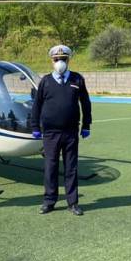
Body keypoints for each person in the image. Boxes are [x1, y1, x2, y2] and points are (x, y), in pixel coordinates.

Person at [31, 45, 92, 216]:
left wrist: (86, 124)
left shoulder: (77, 79)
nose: (60, 62)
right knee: (50, 166)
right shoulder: (45, 81)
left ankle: (72, 202)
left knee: (71, 167)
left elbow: (85, 103)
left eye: (63, 59)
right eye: (57, 59)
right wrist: (35, 126)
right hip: (50, 133)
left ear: (68, 60)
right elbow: (37, 105)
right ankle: (49, 201)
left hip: (71, 132)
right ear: (52, 61)